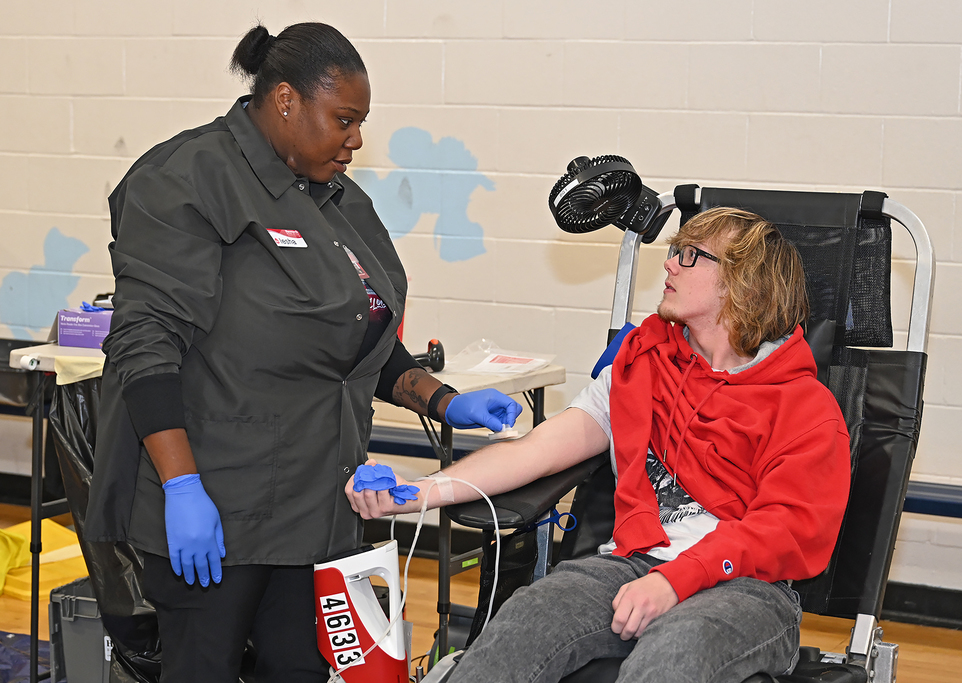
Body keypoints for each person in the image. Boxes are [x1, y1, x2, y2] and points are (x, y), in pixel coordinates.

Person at [84, 22, 521, 683]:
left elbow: (358, 336)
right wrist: (181, 486)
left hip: (316, 507)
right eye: (344, 119)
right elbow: (145, 342)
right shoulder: (191, 178)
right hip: (217, 508)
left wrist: (444, 399)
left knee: (298, 671)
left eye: (361, 122)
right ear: (286, 99)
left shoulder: (335, 198)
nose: (356, 139)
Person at [348, 207, 852, 682]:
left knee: (673, 655)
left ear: (744, 281)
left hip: (747, 589)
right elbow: (533, 452)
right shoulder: (641, 365)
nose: (670, 264)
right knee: (527, 617)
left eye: (690, 254)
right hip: (630, 562)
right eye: (674, 250)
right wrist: (416, 493)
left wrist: (676, 580)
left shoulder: (805, 408)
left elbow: (782, 530)